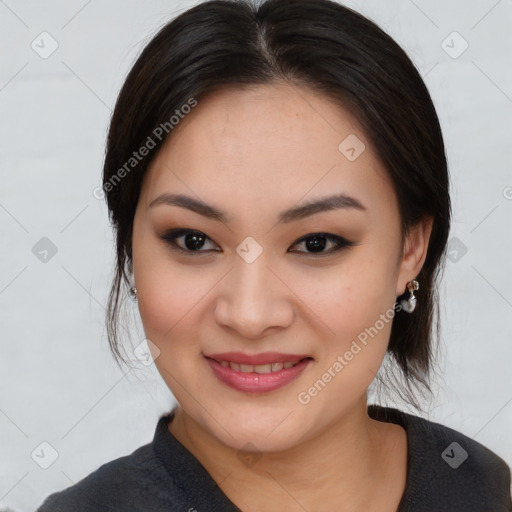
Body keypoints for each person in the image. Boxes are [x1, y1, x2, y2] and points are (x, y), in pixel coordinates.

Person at [36, 0, 512, 510]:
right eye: (194, 241)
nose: (249, 314)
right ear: (131, 249)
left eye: (316, 243)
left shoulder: (480, 485)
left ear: (410, 250)